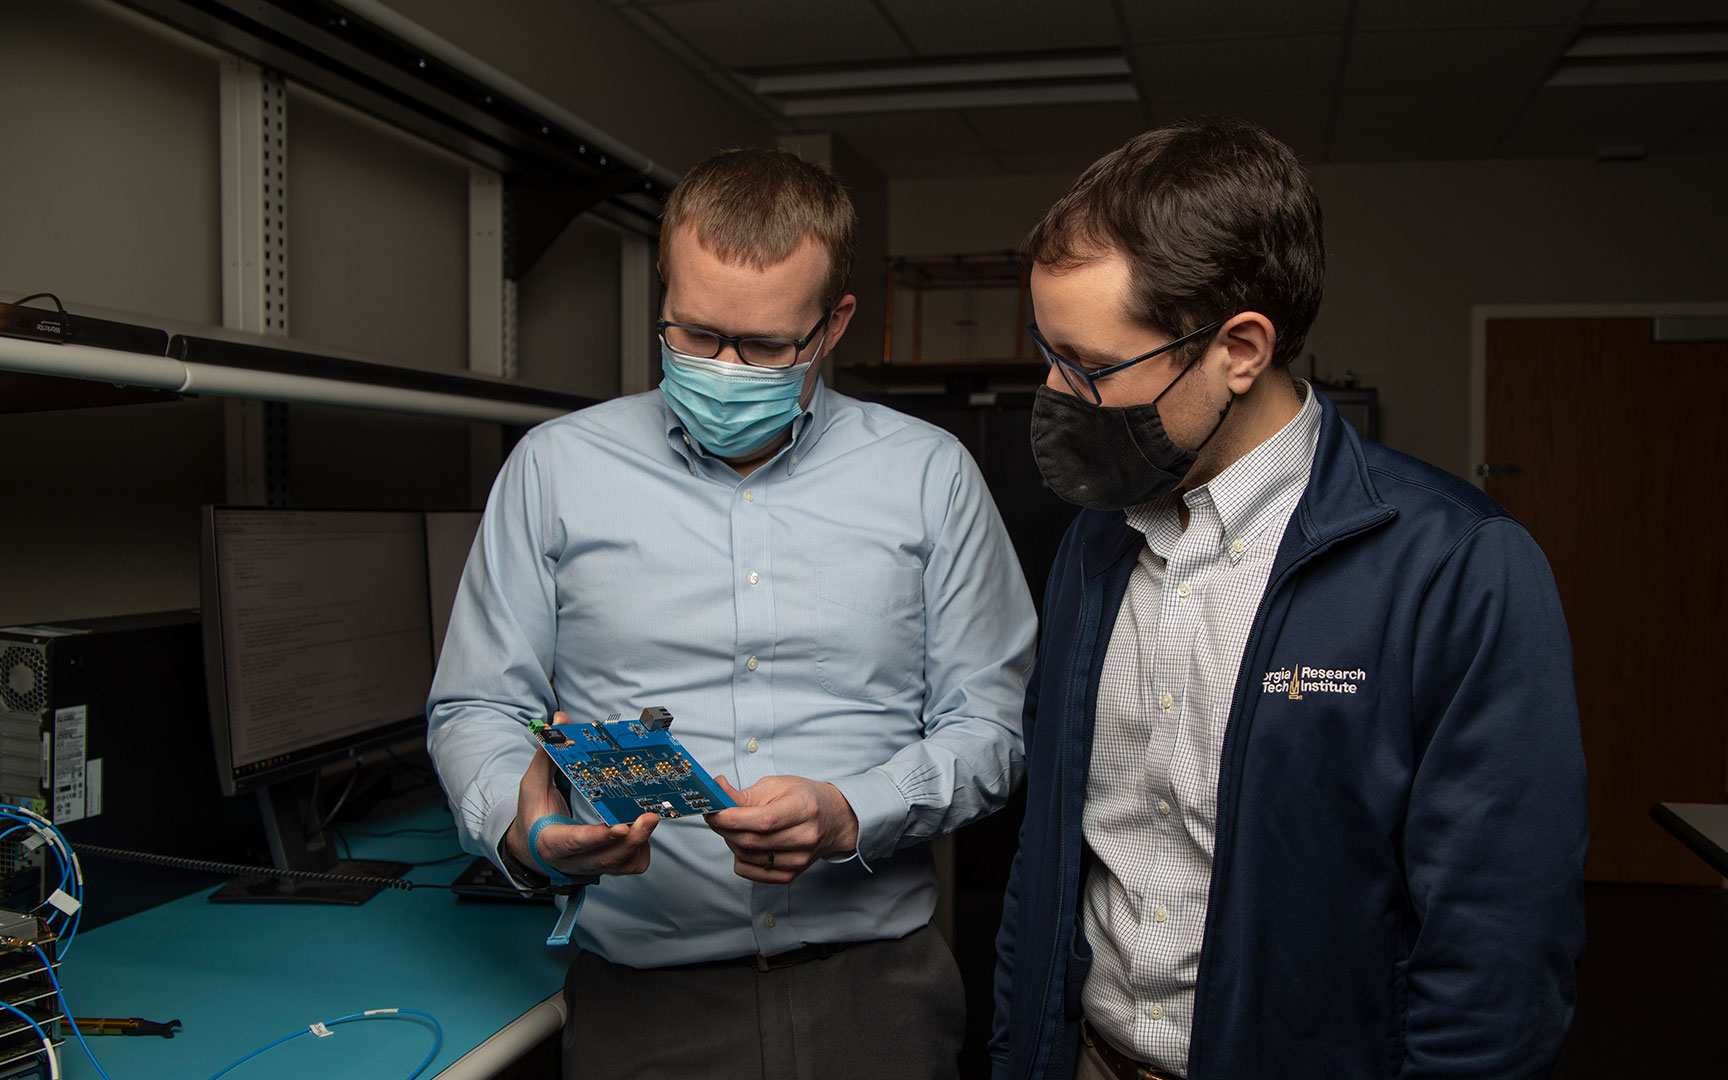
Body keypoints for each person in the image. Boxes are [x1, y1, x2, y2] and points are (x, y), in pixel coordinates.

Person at [990, 119, 1587, 1080]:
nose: (1056, 392)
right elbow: (1052, 851)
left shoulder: (1456, 567)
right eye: (1047, 351)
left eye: (1091, 366)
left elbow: (1498, 945)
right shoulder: (1094, 543)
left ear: (1240, 348)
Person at [428, 146, 1036, 1080]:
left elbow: (990, 729)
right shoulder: (556, 470)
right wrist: (525, 828)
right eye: (694, 335)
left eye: (761, 347)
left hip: (875, 994)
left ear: (833, 325)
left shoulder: (929, 475)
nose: (721, 368)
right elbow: (475, 707)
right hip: (643, 1002)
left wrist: (849, 812)